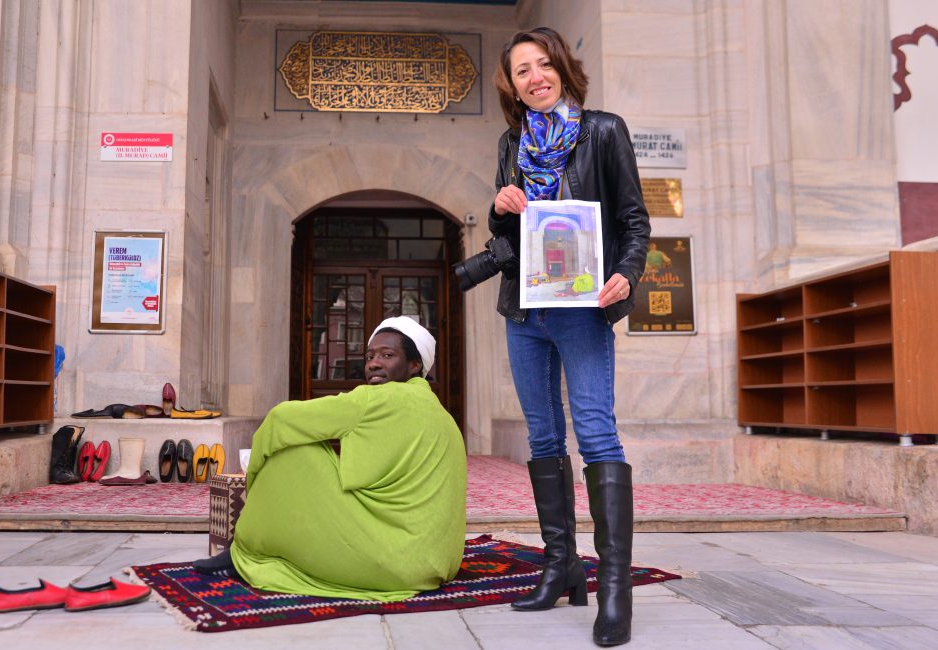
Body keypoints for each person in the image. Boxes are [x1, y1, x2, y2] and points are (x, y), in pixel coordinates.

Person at [488, 27, 651, 647]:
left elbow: (634, 220)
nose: (534, 77)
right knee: (542, 435)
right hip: (525, 311)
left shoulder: (603, 131)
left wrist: (625, 275)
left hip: (582, 308)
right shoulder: (510, 144)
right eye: (521, 71)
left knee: (596, 430)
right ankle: (560, 567)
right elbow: (503, 242)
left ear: (561, 67)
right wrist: (503, 205)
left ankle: (614, 588)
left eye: (542, 64)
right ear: (514, 84)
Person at [193, 316, 467, 602]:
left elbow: (279, 420)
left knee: (289, 448)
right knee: (304, 440)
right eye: (370, 355)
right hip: (436, 565)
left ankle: (244, 551)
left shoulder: (374, 399)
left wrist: (255, 483)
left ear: (415, 366)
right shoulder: (445, 418)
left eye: (387, 355)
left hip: (387, 562)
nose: (373, 363)